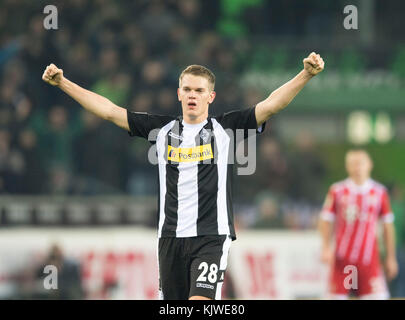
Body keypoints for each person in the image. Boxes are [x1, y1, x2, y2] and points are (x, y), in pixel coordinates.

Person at [42, 52, 324, 300]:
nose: (192, 95)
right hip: (170, 237)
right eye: (187, 89)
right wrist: (63, 83)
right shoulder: (161, 130)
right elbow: (109, 111)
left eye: (199, 90)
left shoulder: (226, 128)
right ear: (179, 93)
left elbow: (271, 105)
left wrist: (305, 75)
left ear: (210, 97)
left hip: (211, 236)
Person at [319, 149, 398, 299]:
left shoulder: (379, 192)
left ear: (369, 165)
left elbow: (388, 226)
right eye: (353, 164)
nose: (357, 168)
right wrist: (326, 247)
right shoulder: (337, 190)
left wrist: (390, 257)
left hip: (369, 261)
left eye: (360, 163)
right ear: (347, 167)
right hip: (342, 260)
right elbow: (325, 219)